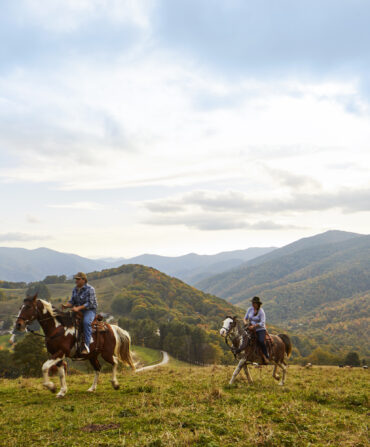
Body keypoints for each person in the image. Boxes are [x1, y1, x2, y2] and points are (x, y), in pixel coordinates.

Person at [62, 272, 97, 355]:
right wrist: (66, 306)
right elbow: (72, 301)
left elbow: (90, 303)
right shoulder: (75, 289)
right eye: (76, 279)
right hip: (78, 310)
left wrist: (78, 308)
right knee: (66, 320)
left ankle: (87, 346)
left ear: (84, 280)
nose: (76, 281)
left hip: (89, 310)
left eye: (78, 279)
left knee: (86, 322)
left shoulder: (90, 289)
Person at [244, 296, 269, 364]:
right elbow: (245, 318)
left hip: (260, 329)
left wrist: (254, 326)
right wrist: (246, 324)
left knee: (261, 341)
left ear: (258, 304)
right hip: (250, 327)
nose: (253, 304)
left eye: (254, 303)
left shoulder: (261, 311)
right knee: (243, 337)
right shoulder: (249, 309)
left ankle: (266, 355)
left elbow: (262, 322)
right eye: (252, 303)